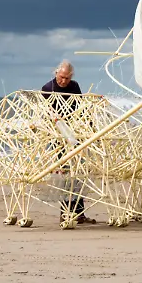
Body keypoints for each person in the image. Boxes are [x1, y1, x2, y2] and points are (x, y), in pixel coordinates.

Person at [41, 60, 95, 224]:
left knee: (78, 174)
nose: (63, 81)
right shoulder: (47, 89)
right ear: (56, 73)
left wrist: (89, 127)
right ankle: (65, 213)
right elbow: (46, 114)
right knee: (65, 175)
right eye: (61, 77)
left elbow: (81, 108)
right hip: (59, 137)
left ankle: (79, 213)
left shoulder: (74, 86)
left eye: (67, 78)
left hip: (75, 135)